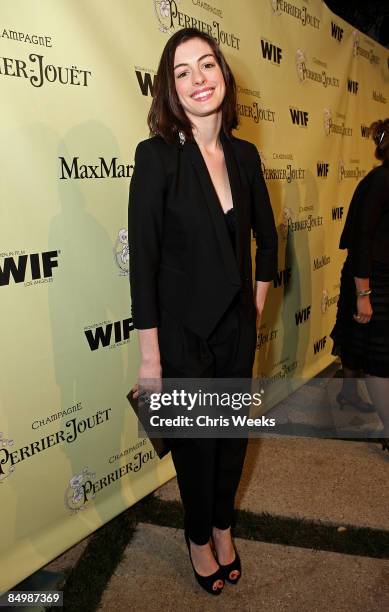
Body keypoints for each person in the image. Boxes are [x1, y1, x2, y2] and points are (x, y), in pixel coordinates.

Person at [128, 28, 278, 595]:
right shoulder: (157, 158)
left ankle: (223, 527)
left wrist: (255, 310)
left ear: (224, 74)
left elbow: (267, 238)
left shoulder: (245, 155)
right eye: (182, 71)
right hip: (184, 341)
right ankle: (197, 537)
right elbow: (142, 267)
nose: (197, 79)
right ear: (169, 87)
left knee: (232, 444)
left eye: (206, 64)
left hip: (235, 335)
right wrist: (152, 363)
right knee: (197, 453)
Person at [330, 118, 389, 452]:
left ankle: (348, 393)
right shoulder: (381, 181)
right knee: (379, 352)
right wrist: (363, 294)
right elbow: (362, 241)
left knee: (357, 337)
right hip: (370, 276)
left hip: (376, 274)